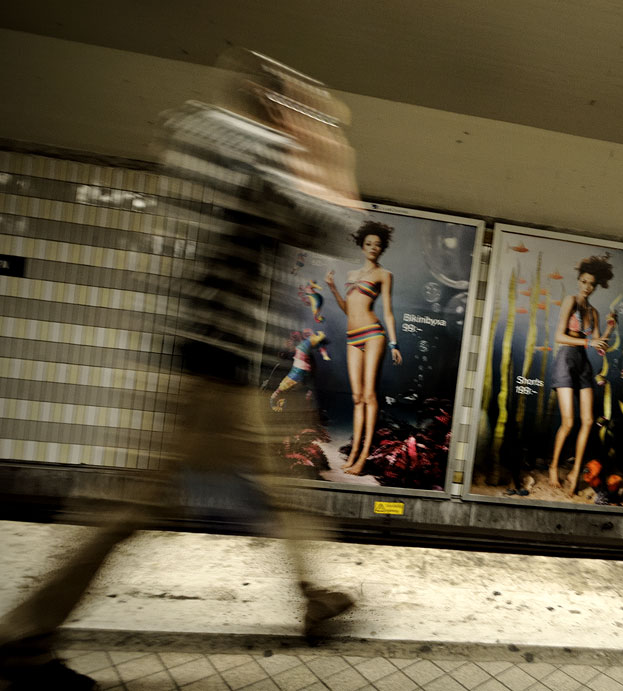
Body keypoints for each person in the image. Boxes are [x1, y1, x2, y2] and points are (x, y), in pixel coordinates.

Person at [0, 49, 364, 690]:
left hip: (208, 353)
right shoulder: (258, 151)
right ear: (278, 107)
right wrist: (328, 150)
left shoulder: (201, 132)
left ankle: (315, 592)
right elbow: (328, 227)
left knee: (281, 486)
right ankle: (24, 635)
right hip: (216, 364)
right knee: (139, 503)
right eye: (296, 109)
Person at [325, 221, 403, 475]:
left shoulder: (384, 275)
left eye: (377, 245)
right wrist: (333, 289)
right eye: (369, 244)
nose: (373, 248)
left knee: (369, 396)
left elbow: (388, 313)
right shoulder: (350, 276)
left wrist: (394, 343)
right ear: (362, 246)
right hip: (353, 336)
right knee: (357, 398)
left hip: (373, 334)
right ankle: (354, 453)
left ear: (382, 249)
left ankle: (363, 458)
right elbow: (349, 309)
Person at [547, 254, 616, 495]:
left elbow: (599, 345)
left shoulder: (594, 312)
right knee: (569, 422)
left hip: (584, 364)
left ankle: (576, 471)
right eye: (584, 282)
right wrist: (589, 342)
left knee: (588, 421)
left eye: (592, 284)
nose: (587, 287)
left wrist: (609, 328)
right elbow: (559, 337)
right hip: (566, 359)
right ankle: (554, 466)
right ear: (579, 280)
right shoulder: (571, 301)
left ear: (596, 286)